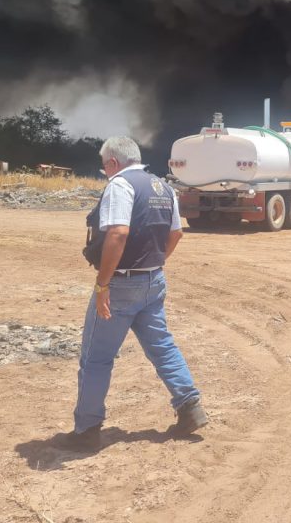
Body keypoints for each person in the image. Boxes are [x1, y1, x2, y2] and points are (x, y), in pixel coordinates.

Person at [60, 136, 207, 451]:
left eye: (104, 166)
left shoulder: (120, 185)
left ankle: (86, 430)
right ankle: (190, 408)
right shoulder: (163, 187)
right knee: (162, 347)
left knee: (96, 359)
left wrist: (103, 285)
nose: (104, 171)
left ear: (113, 162)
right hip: (153, 281)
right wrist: (154, 264)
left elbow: (118, 233)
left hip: (121, 285)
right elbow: (176, 233)